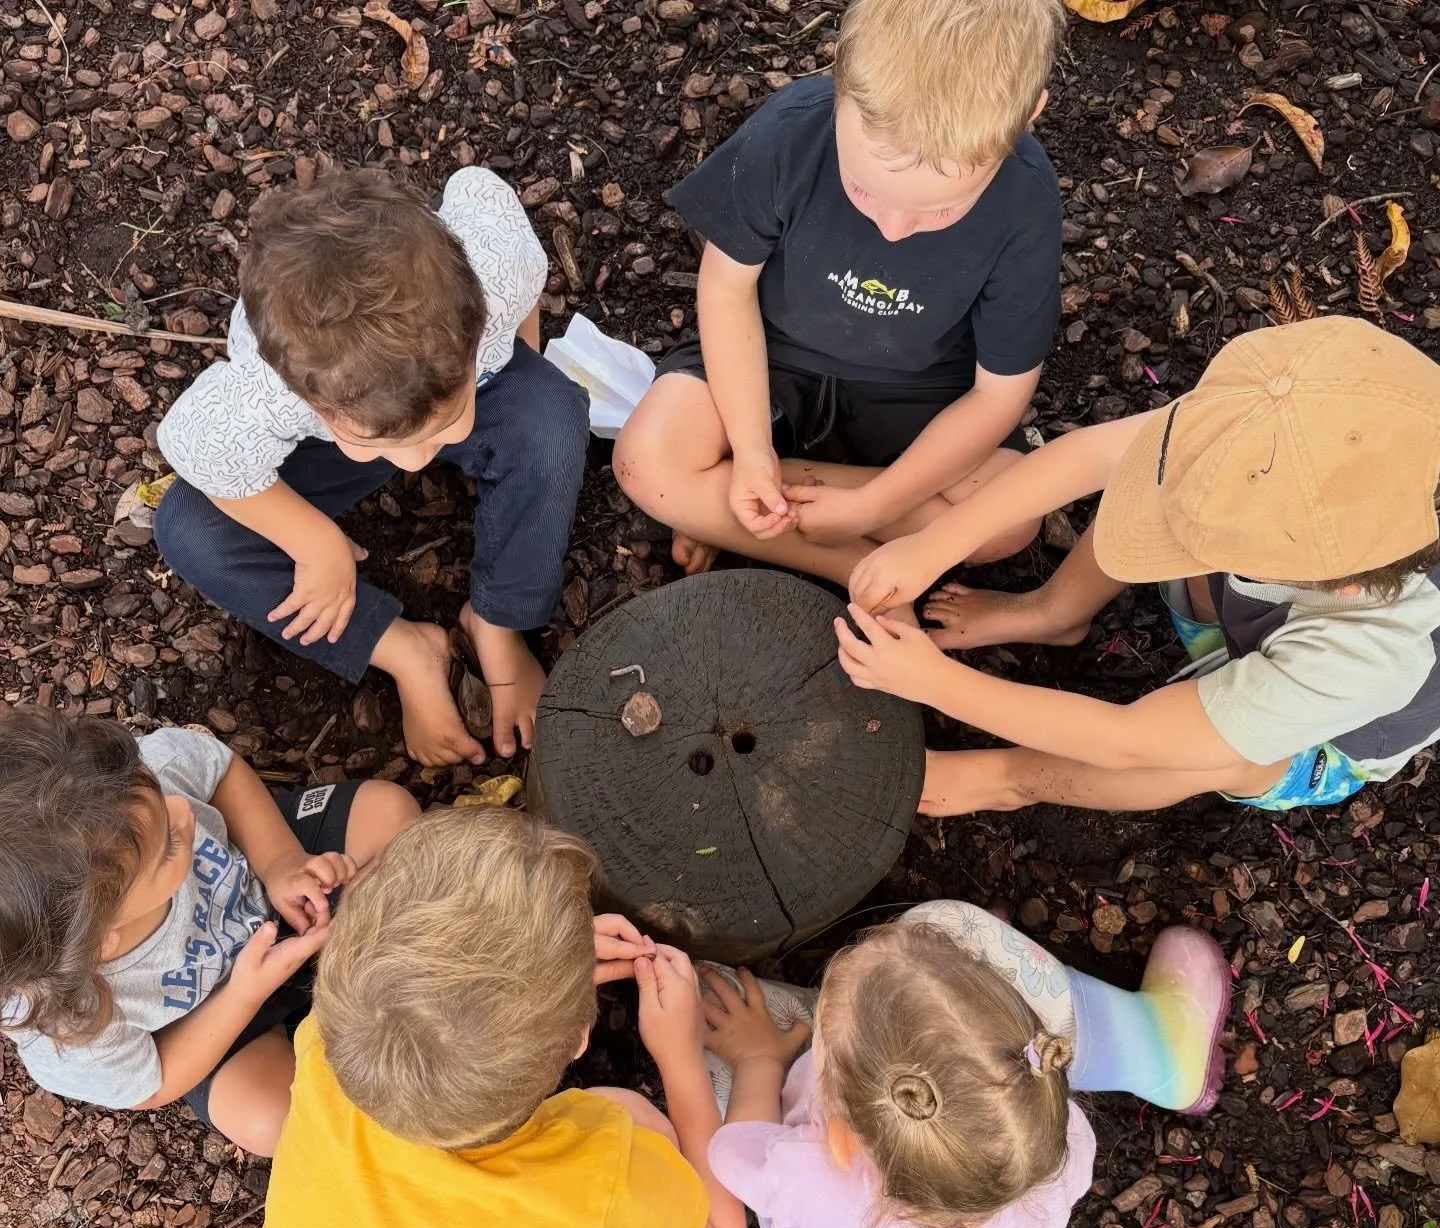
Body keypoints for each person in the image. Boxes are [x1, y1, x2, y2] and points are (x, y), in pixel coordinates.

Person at [238, 807, 747, 1228]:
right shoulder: (597, 1182)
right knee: (638, 1119)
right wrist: (682, 1064)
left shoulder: (327, 1043)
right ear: (578, 1040)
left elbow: (424, 1005)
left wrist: (536, 970)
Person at [836, 316, 1440, 815]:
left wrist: (939, 685)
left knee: (1210, 755)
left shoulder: (1369, 656)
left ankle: (1002, 780)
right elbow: (1091, 457)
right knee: (1167, 485)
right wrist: (932, 545)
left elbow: (1126, 741)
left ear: (1344, 576)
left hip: (1320, 735)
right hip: (1257, 611)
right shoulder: (1301, 431)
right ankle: (1052, 613)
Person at [613, 0, 1065, 589]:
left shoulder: (1024, 202)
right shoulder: (788, 134)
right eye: (864, 188)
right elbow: (726, 293)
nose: (894, 228)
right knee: (646, 457)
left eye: (942, 208)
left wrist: (875, 504)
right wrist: (750, 449)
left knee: (1010, 522)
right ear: (839, 78)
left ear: (1027, 117)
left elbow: (997, 397)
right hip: (768, 360)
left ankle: (729, 504)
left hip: (918, 396)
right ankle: (854, 565)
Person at [154, 167, 589, 768]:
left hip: (439, 382)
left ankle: (497, 621)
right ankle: (406, 651)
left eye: (441, 426)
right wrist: (315, 542)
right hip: (319, 445)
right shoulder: (267, 392)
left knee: (551, 412)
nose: (417, 462)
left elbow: (478, 187)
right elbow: (195, 447)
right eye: (381, 443)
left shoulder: (498, 272)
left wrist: (511, 380)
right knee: (190, 532)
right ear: (311, 399)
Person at [698, 899, 1228, 1228]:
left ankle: (1159, 1048)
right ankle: (1154, 1050)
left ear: (837, 1137)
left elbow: (734, 1143)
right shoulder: (1045, 1150)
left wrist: (759, 1058)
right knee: (942, 927)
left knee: (704, 994)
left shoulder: (800, 1171)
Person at [0, 709, 418, 1155]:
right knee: (271, 1118)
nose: (184, 813)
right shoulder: (67, 1022)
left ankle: (372, 950)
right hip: (216, 1015)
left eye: (159, 791)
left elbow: (219, 772)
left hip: (270, 877)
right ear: (102, 941)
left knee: (388, 809)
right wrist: (243, 996)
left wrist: (280, 862)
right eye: (169, 848)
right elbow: (153, 1083)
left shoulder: (119, 795)